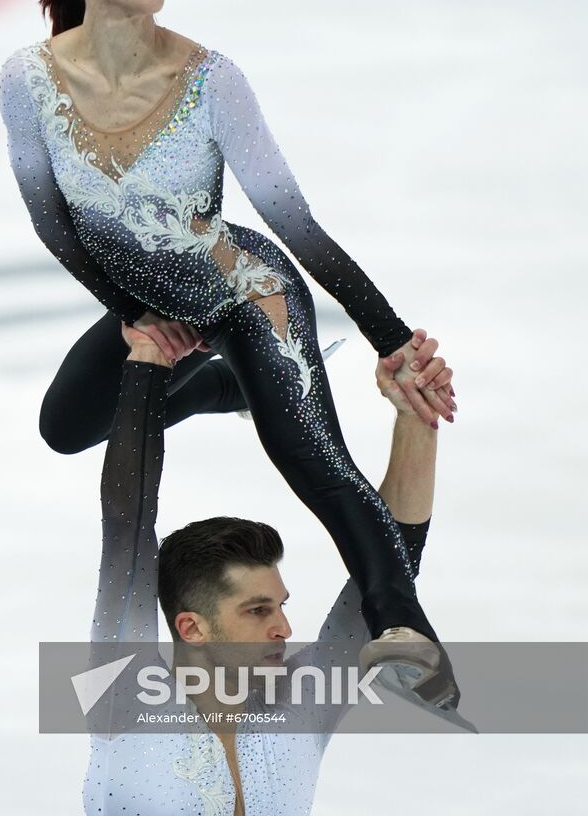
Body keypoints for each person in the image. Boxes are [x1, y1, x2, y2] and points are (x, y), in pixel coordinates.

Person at [0, 0, 458, 681]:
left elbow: (296, 223)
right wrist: (135, 316)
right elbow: (52, 221)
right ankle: (219, 387)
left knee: (312, 456)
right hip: (146, 299)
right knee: (65, 427)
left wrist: (392, 341)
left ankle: (400, 625)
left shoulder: (212, 79)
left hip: (247, 293)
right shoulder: (26, 79)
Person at [80, 326, 455, 816]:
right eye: (257, 611)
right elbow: (126, 529)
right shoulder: (124, 697)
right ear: (191, 626)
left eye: (278, 606)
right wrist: (149, 356)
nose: (283, 628)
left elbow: (391, 561)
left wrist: (414, 415)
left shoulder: (303, 702)